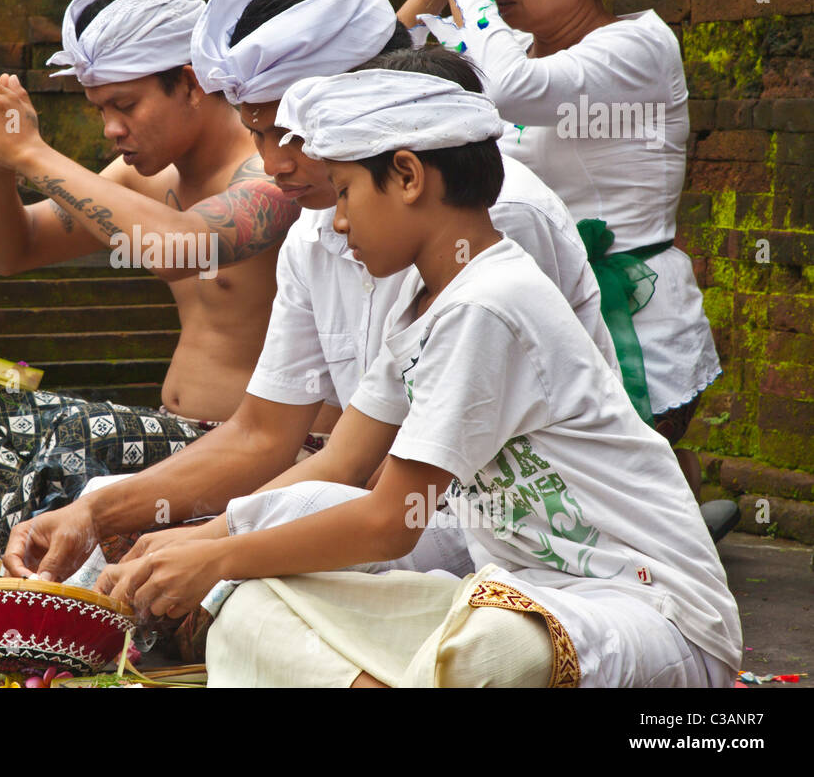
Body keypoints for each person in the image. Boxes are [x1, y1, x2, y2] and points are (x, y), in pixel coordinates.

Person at [96, 69, 743, 688]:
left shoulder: (490, 301)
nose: (339, 220)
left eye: (346, 192)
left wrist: (214, 558)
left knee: (493, 651)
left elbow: (390, 521)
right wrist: (189, 542)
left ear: (406, 176)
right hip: (512, 590)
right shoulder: (422, 304)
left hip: (649, 611)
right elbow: (341, 463)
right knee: (251, 606)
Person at [3, 0, 616, 595]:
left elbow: (386, 504)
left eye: (290, 131)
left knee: (240, 584)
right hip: (377, 507)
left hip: (519, 537)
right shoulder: (318, 224)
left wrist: (219, 553)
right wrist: (109, 517)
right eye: (257, 133)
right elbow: (274, 438)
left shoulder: (493, 219)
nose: (271, 163)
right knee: (115, 516)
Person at [0, 0, 302, 552]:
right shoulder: (142, 176)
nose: (111, 130)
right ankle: (50, 537)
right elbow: (10, 252)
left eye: (125, 106)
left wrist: (32, 152)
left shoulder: (277, 174)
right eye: (101, 109)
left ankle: (58, 537)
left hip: (264, 454)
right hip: (164, 438)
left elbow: (179, 248)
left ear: (188, 83)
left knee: (75, 449)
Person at [413, 0, 732, 538]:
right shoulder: (502, 44)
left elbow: (509, 89)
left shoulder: (637, 47)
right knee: (572, 521)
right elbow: (389, 82)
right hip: (531, 308)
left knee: (619, 509)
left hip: (634, 323)